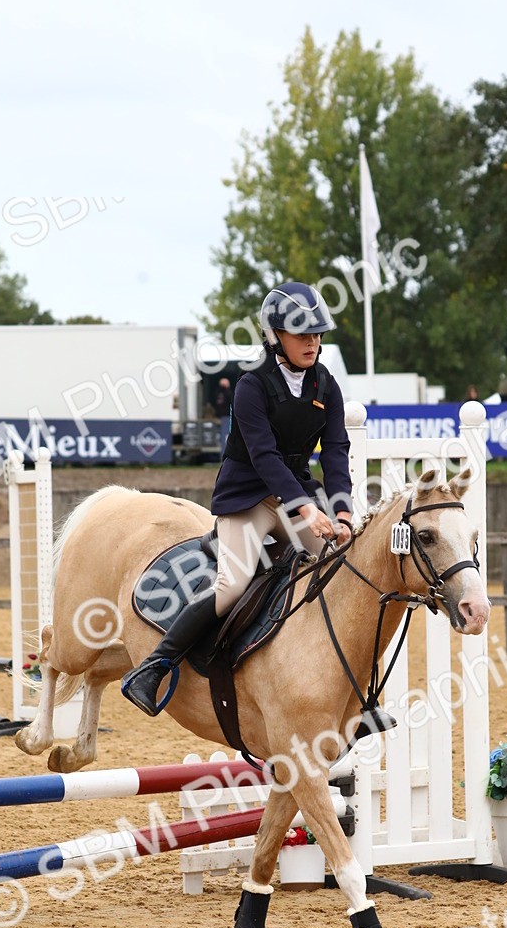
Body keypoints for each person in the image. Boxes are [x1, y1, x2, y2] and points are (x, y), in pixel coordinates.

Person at [122, 281, 356, 717]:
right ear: (275, 336)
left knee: (338, 569)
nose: (312, 342)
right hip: (247, 498)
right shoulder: (252, 386)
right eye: (302, 334)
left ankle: (349, 693)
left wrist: (341, 510)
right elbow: (265, 458)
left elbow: (337, 451)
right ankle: (155, 665)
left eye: (317, 334)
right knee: (232, 586)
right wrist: (306, 508)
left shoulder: (327, 386)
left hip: (296, 493)